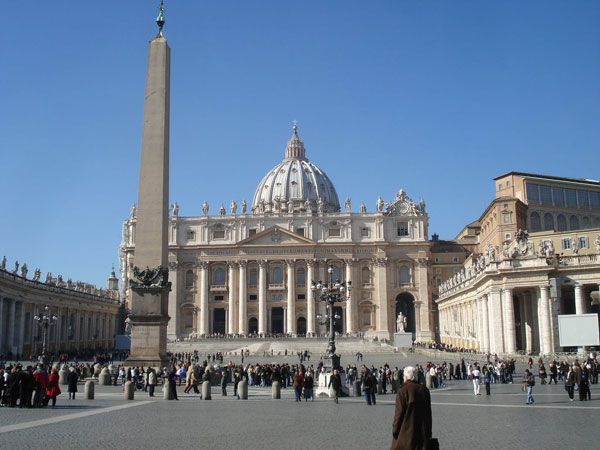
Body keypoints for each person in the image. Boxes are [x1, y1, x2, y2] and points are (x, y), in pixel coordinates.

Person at [391, 366, 432, 450]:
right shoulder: (424, 390)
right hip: (422, 431)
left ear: (405, 377)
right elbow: (428, 413)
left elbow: (399, 412)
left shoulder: (403, 390)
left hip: (406, 430)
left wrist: (395, 429)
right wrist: (428, 431)